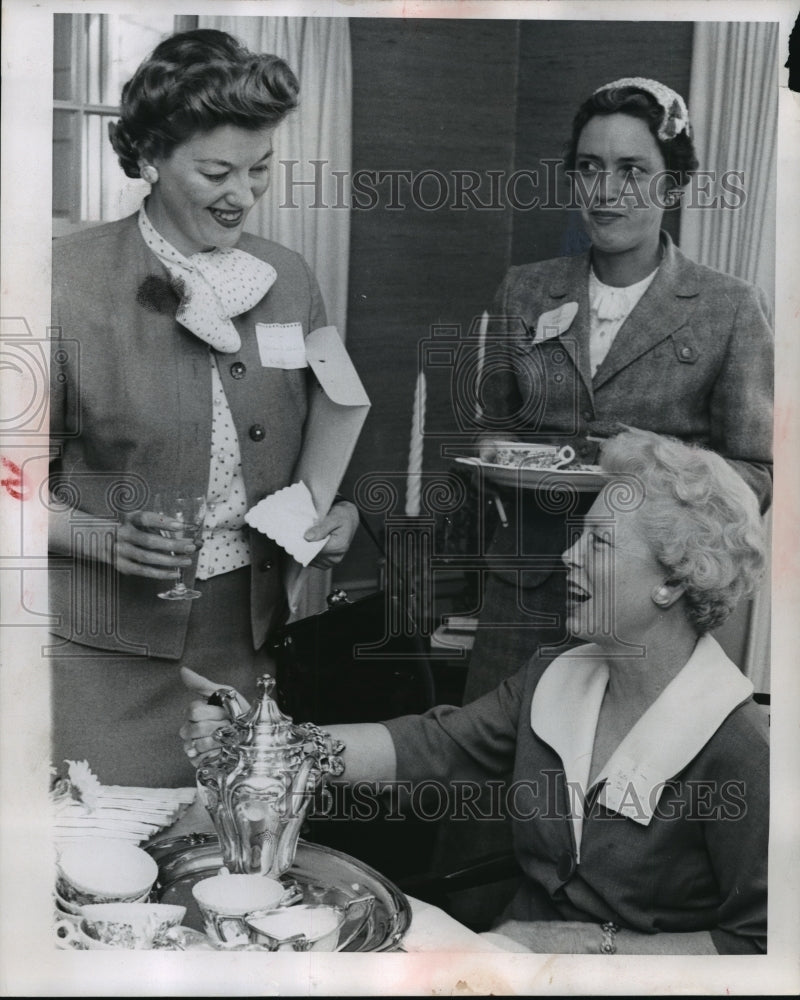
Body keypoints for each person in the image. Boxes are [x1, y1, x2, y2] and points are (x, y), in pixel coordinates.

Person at [184, 427, 769, 954]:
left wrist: (593, 945)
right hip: (512, 962)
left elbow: (760, 946)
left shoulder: (737, 743)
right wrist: (264, 741)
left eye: (599, 544)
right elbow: (428, 746)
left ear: (672, 581)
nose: (567, 558)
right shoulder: (557, 674)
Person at [48, 29, 359, 787]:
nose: (243, 195)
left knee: (230, 860)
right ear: (151, 156)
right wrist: (102, 539)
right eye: (216, 171)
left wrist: (335, 514)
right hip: (98, 655)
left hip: (243, 650)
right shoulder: (63, 281)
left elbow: (321, 426)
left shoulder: (287, 278)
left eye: (259, 170)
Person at [463, 77, 773, 702]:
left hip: (651, 602)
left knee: (618, 781)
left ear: (674, 182)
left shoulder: (729, 307)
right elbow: (491, 430)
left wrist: (657, 465)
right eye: (589, 168)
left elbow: (758, 473)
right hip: (526, 587)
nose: (605, 191)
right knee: (493, 772)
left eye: (632, 169)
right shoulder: (524, 289)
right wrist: (500, 457)